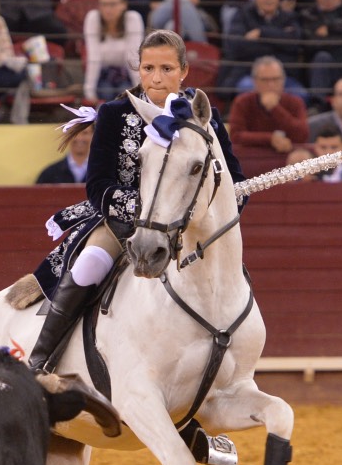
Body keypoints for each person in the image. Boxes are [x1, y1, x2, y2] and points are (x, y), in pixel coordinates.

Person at [27, 28, 245, 373]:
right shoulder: (115, 113)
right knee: (90, 264)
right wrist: (143, 210)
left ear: (184, 71)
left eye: (167, 69)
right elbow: (97, 185)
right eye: (148, 69)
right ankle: (40, 361)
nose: (156, 79)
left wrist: (215, 211)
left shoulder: (206, 117)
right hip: (123, 223)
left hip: (189, 226)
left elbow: (233, 180)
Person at [220, 0, 306, 101]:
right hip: (249, 75)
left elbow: (294, 44)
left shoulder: (289, 17)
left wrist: (261, 33)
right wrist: (278, 41)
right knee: (246, 89)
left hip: (284, 77)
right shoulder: (242, 15)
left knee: (301, 96)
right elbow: (236, 47)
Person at [228, 55, 309, 155]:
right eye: (265, 80)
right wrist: (270, 138)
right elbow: (236, 136)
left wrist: (275, 109)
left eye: (275, 79)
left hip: (286, 159)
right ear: (255, 81)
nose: (270, 85)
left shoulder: (295, 102)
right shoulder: (242, 102)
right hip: (252, 159)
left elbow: (302, 135)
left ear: (283, 80)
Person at [82, 0, 142, 104]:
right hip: (102, 74)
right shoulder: (93, 18)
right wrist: (89, 91)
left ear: (123, 4)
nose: (107, 9)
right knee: (106, 92)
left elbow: (133, 57)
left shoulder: (133, 18)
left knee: (124, 92)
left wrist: (141, 90)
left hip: (126, 74)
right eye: (103, 4)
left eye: (112, 4)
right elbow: (94, 57)